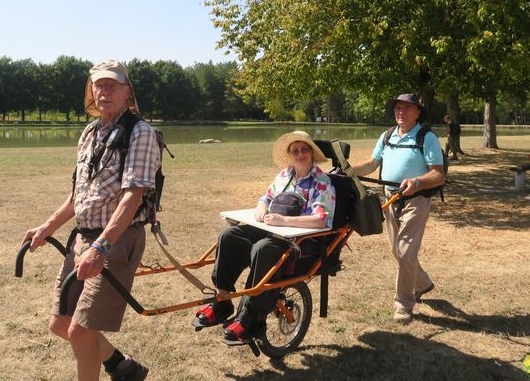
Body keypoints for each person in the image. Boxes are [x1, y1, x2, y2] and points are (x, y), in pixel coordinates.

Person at [22, 60, 160, 381]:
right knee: (60, 324)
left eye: (112, 85)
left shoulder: (140, 132)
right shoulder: (89, 132)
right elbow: (76, 197)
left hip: (116, 240)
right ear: (91, 92)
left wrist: (100, 247)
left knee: (81, 331)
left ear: (127, 92)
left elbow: (132, 196)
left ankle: (112, 369)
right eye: (99, 85)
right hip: (82, 238)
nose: (104, 91)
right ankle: (120, 365)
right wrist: (46, 228)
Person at [193, 131, 336, 342]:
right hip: (274, 229)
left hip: (298, 241)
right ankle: (222, 301)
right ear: (289, 154)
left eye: (304, 149)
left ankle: (252, 318)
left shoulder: (322, 181)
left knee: (262, 248)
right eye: (294, 150)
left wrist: (284, 221)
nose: (299, 154)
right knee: (229, 235)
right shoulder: (284, 175)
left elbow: (321, 219)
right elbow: (266, 197)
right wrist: (262, 208)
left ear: (312, 153)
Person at [352, 94, 444, 324]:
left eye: (406, 108)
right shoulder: (387, 136)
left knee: (404, 251)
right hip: (389, 200)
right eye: (397, 108)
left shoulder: (427, 137)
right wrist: (347, 171)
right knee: (397, 250)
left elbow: (438, 174)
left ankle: (403, 304)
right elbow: (372, 164)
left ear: (417, 112)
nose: (400, 112)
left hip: (415, 201)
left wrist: (417, 182)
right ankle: (422, 283)